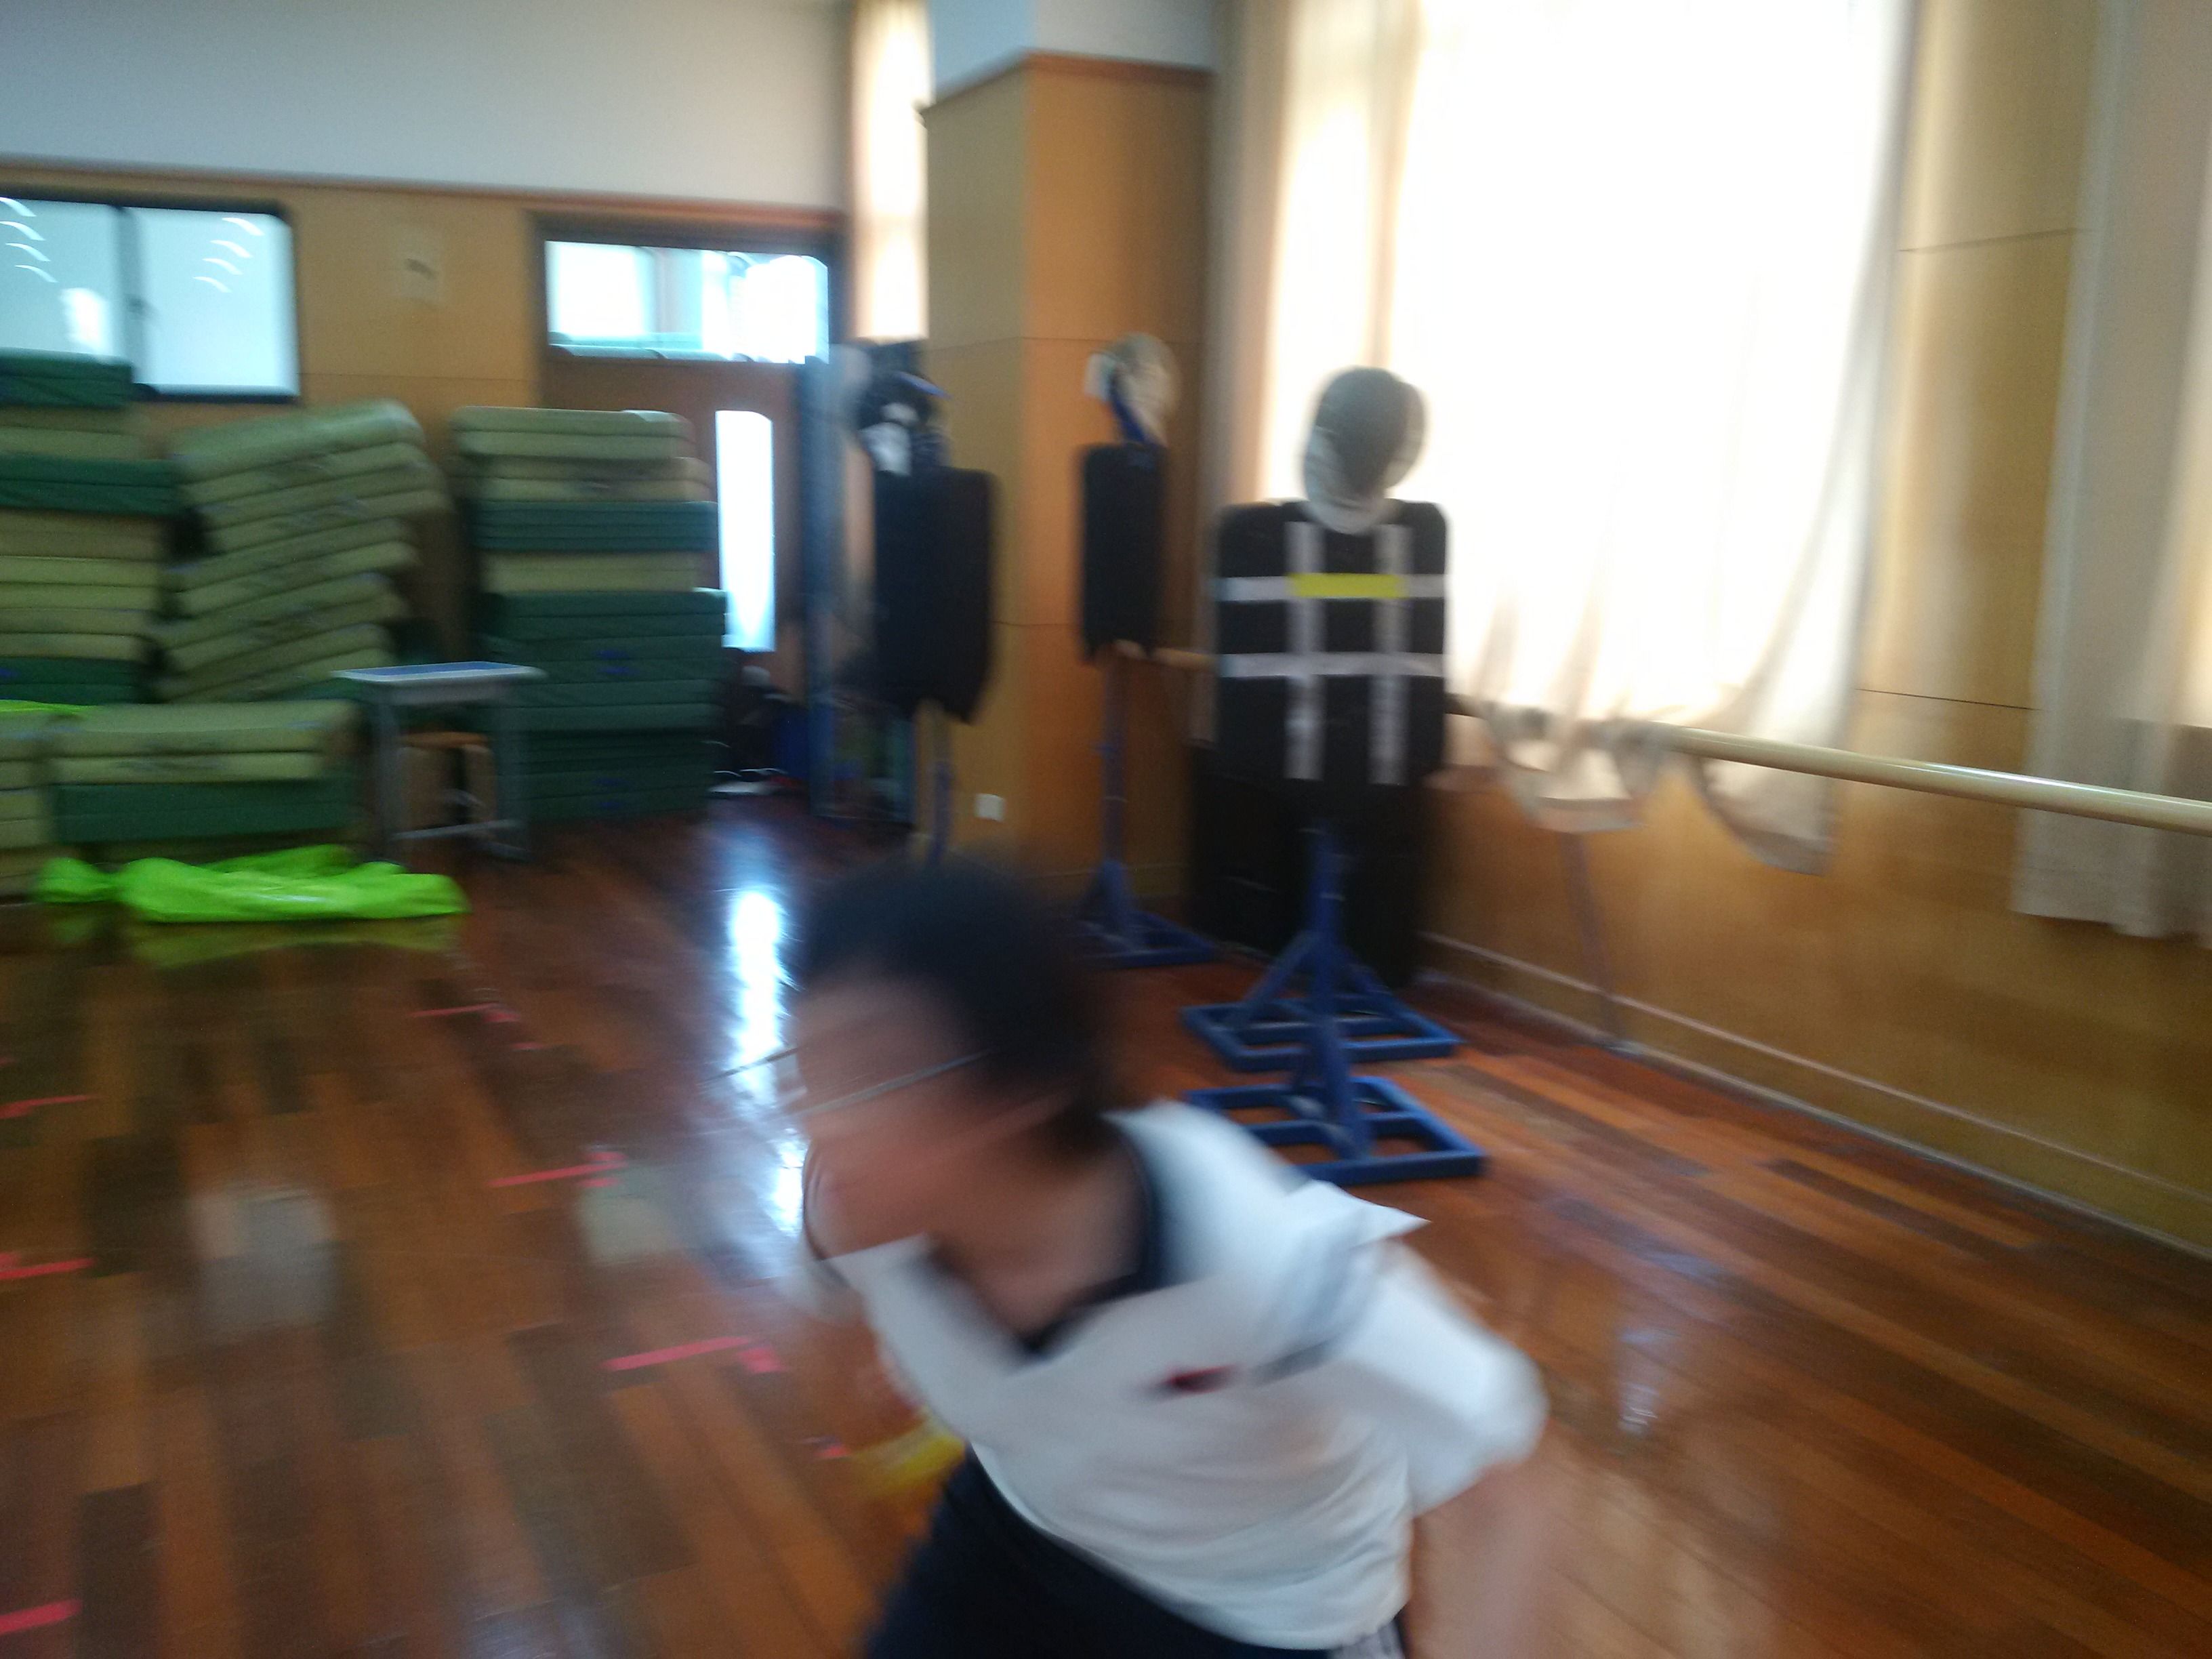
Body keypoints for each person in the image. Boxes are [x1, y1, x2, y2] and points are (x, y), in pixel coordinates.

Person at [785, 860, 1552, 1658]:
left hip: (1268, 1605)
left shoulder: (1247, 1250)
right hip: (1028, 1527)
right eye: (809, 1072)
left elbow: (1511, 1484)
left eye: (875, 1073)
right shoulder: (856, 1207)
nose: (824, 1124)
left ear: (1020, 1087)